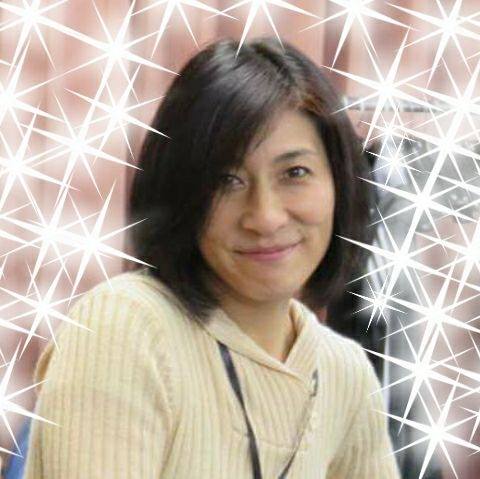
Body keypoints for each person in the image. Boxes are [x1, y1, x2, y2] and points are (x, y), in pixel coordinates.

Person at [23, 37, 401, 478]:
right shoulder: (126, 328)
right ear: (180, 193)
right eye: (227, 180)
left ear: (339, 182)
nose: (265, 216)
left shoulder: (345, 374)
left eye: (294, 173)